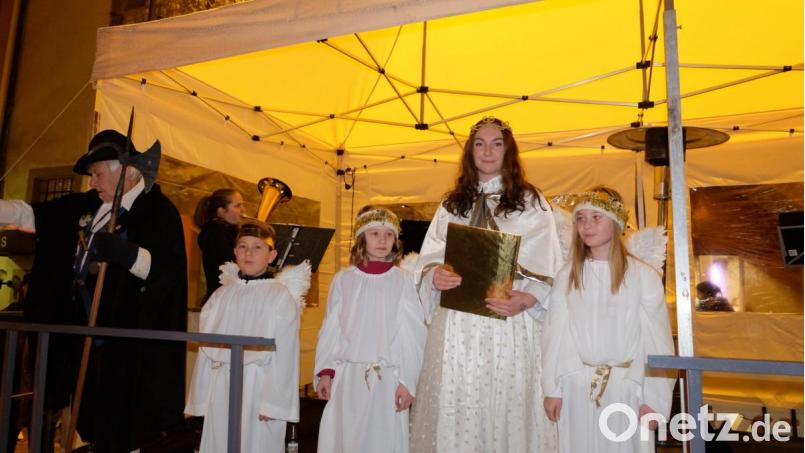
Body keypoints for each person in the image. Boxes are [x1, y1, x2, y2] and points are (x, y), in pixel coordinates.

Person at [0, 129, 187, 452]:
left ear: (127, 171)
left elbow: (166, 275)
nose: (92, 183)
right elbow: (32, 215)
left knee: (123, 423)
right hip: (79, 335)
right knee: (87, 416)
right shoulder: (87, 205)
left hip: (127, 341)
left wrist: (126, 253)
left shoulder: (157, 211)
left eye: (97, 174)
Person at [411, 116, 564, 452]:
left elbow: (550, 264)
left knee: (506, 405)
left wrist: (526, 299)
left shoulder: (531, 201)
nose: (488, 151)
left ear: (509, 151)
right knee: (458, 402)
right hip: (457, 326)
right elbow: (429, 257)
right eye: (479, 144)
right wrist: (434, 274)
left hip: (508, 322)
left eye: (497, 144)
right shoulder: (452, 204)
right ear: (470, 152)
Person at [541, 187, 676, 452]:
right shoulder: (568, 275)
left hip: (628, 388)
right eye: (580, 218)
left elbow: (658, 341)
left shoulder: (642, 276)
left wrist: (655, 400)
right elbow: (554, 335)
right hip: (576, 385)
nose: (586, 225)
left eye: (596, 217)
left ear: (616, 222)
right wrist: (551, 388)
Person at [186, 220, 307, 453]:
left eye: (257, 247)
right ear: (234, 252)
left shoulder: (279, 295)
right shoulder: (220, 295)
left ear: (272, 255)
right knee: (220, 442)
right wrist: (202, 395)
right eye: (243, 246)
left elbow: (286, 353)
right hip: (221, 386)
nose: (248, 253)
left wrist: (273, 403)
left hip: (259, 386)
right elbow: (206, 348)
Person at [314, 206, 426, 453]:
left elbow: (413, 335)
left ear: (396, 240)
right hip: (348, 378)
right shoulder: (344, 280)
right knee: (345, 441)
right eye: (375, 234)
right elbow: (331, 328)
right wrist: (326, 372)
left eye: (388, 235)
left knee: (381, 442)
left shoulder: (404, 281)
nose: (382, 240)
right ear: (361, 238)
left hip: (387, 380)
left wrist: (407, 382)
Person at [193, 188, 245, 301]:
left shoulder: (227, 233)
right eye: (237, 206)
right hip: (222, 299)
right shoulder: (215, 233)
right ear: (221, 211)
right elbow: (230, 267)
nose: (243, 210)